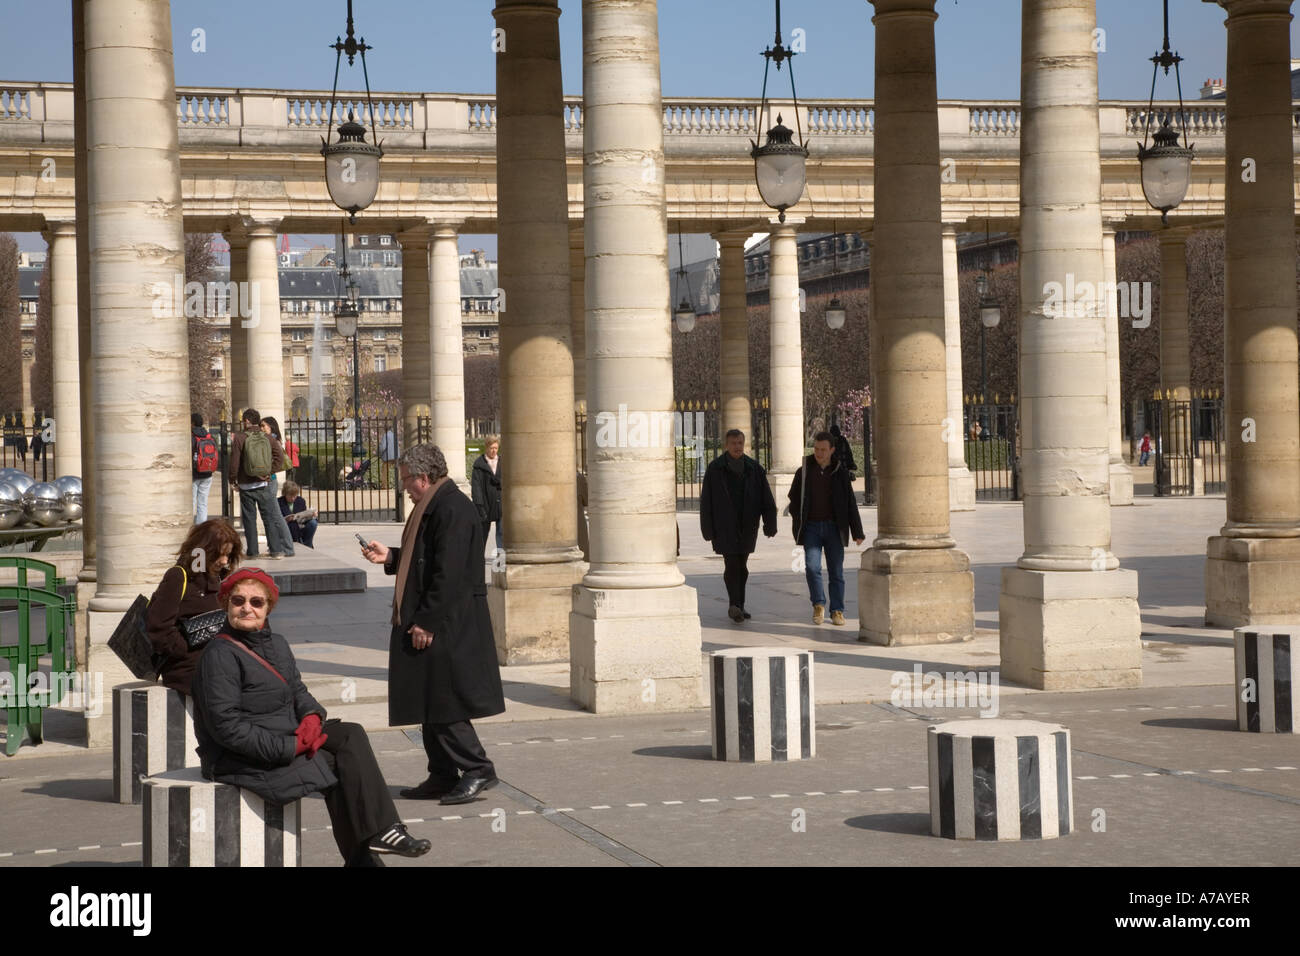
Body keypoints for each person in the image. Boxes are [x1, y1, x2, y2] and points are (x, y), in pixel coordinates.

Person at [191, 567, 431, 866]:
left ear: (268, 608)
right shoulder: (220, 655)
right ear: (226, 605)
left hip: (283, 732)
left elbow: (298, 692)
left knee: (351, 734)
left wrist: (312, 718)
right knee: (340, 765)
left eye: (256, 602)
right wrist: (289, 748)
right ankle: (368, 853)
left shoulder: (276, 644)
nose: (246, 608)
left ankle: (382, 835)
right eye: (238, 601)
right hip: (240, 757)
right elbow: (226, 727)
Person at [360, 443, 506, 805]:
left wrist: (426, 621)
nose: (405, 488)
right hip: (435, 619)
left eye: (407, 480)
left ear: (424, 479)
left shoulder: (453, 508)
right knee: (429, 700)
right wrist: (391, 556)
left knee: (446, 701)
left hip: (447, 623)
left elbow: (449, 573)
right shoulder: (436, 503)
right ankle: (441, 773)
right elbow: (425, 557)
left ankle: (477, 769)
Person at [145, 518, 243, 695]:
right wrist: (186, 650)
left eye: (228, 555)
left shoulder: (221, 579)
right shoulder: (178, 577)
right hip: (188, 668)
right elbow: (158, 627)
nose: (223, 561)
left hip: (218, 661)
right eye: (218, 554)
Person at [700, 429, 778, 623]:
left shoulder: (754, 468)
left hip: (747, 525)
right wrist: (707, 529)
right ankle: (734, 604)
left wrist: (770, 524)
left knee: (742, 566)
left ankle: (739, 606)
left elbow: (766, 499)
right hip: (724, 525)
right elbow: (706, 501)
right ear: (726, 445)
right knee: (732, 564)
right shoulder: (715, 468)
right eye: (733, 443)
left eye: (740, 443)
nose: (737, 447)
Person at [789, 431, 865, 626]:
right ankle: (818, 604)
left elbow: (850, 503)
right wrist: (799, 520)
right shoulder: (804, 471)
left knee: (836, 571)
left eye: (823, 450)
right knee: (812, 567)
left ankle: (837, 610)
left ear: (832, 450)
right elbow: (794, 497)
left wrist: (857, 531)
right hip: (811, 527)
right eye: (816, 449)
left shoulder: (840, 472)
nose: (819, 453)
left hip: (834, 528)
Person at [229, 408, 294, 559]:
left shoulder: (239, 438)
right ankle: (276, 551)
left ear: (246, 421)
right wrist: (269, 472)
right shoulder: (267, 437)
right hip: (263, 484)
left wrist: (233, 480)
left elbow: (234, 463)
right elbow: (279, 458)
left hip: (246, 485)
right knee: (268, 517)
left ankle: (253, 552)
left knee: (249, 519)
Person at [471, 436, 503, 556]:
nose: (494, 451)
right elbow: (476, 487)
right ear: (486, 448)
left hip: (500, 504)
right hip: (485, 505)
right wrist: (479, 506)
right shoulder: (479, 465)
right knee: (482, 534)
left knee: (501, 533)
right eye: (491, 448)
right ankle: (478, 559)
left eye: (496, 448)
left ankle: (501, 559)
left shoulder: (502, 462)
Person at [191, 412, 219, 524]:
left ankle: (189, 527)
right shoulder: (209, 436)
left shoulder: (192, 437)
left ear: (192, 423)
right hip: (207, 473)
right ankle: (201, 527)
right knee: (203, 502)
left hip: (194, 473)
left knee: (191, 502)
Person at [278, 479, 319, 549]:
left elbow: (304, 515)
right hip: (287, 526)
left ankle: (307, 545)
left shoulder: (300, 501)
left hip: (300, 525)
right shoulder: (279, 502)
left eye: (295, 496)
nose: (293, 498)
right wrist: (286, 519)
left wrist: (312, 515)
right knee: (292, 525)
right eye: (290, 496)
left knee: (313, 523)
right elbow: (276, 518)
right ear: (285, 494)